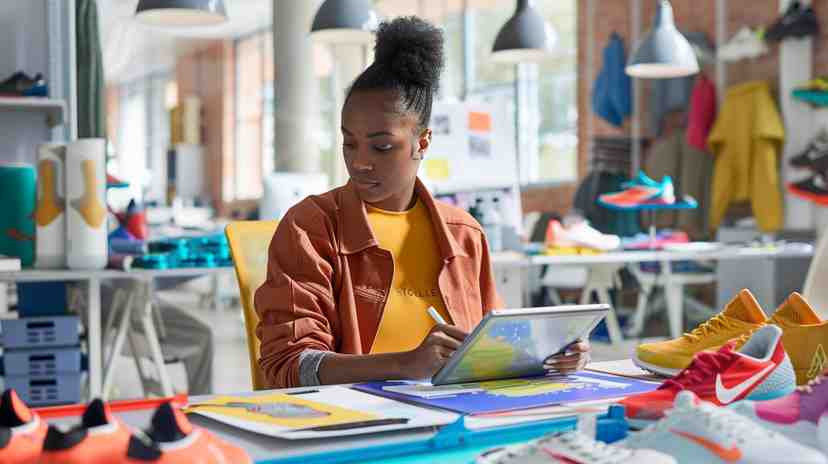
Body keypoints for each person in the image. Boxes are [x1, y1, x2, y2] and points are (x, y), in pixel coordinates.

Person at [254, 16, 590, 389]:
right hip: (358, 425)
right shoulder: (311, 227)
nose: (359, 161)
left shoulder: (464, 236)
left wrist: (549, 354)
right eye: (349, 143)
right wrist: (405, 364)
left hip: (453, 416)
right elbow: (289, 366)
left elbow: (493, 348)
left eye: (382, 146)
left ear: (423, 143)